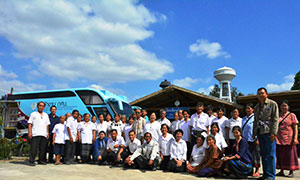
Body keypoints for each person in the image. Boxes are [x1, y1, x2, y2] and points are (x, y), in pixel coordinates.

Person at [253, 87, 279, 180]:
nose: (260, 95)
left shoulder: (272, 104)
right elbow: (255, 121)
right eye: (259, 93)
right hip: (260, 132)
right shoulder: (256, 107)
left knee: (271, 154)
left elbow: (275, 119)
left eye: (262, 93)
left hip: (269, 132)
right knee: (263, 154)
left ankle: (271, 176)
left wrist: (274, 133)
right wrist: (254, 133)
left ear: (266, 94)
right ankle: (265, 174)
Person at [276, 100, 299, 178]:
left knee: (290, 155)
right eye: (282, 106)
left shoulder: (292, 115)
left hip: (289, 138)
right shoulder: (278, 115)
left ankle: (291, 171)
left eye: (285, 106)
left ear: (288, 107)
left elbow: (295, 128)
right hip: (279, 138)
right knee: (280, 155)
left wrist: (295, 138)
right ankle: (281, 170)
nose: (284, 107)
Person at [28, 101, 50, 166]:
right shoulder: (33, 114)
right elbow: (30, 124)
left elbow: (47, 125)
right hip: (35, 133)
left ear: (44, 107)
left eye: (42, 106)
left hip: (43, 134)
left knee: (42, 148)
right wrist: (29, 133)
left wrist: (47, 133)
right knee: (34, 148)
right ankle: (31, 161)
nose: (41, 107)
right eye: (40, 105)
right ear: (37, 106)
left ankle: (41, 160)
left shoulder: (46, 115)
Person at [242, 103, 260, 176]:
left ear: (253, 109)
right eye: (246, 108)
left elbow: (258, 129)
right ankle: (250, 170)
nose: (247, 110)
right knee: (248, 155)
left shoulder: (255, 117)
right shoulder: (243, 118)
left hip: (253, 139)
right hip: (245, 140)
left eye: (249, 108)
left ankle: (257, 170)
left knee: (256, 155)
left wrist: (258, 139)